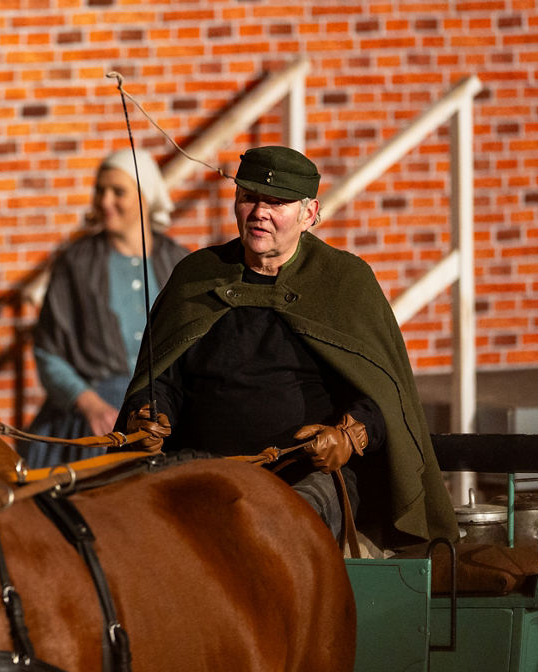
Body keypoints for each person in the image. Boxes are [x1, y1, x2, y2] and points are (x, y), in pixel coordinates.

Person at [119, 145, 457, 548]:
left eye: (276, 202)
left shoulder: (344, 281)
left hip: (307, 476)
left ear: (309, 214)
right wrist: (150, 414)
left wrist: (349, 437)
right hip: (204, 467)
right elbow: (164, 377)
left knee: (275, 531)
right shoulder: (197, 275)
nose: (259, 211)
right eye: (249, 198)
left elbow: (384, 394)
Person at [21, 149, 189, 469]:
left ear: (145, 197)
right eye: (100, 190)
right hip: (95, 423)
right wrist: (89, 404)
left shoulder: (177, 262)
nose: (104, 201)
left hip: (165, 417)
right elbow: (47, 351)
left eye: (118, 191)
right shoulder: (77, 263)